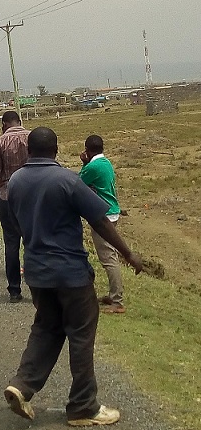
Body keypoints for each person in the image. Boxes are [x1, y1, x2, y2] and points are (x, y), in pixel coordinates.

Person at [4, 127, 142, 426]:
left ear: (29, 149)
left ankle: (22, 385)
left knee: (46, 328)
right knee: (81, 335)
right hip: (70, 274)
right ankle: (83, 406)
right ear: (56, 149)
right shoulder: (66, 179)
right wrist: (128, 254)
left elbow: (14, 220)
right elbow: (100, 220)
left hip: (37, 272)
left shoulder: (16, 181)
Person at [79, 134, 126, 314]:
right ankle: (114, 295)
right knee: (110, 256)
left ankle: (117, 301)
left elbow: (78, 182)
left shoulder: (93, 166)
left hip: (103, 215)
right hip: (112, 211)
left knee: (108, 259)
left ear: (88, 150)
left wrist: (84, 164)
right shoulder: (105, 163)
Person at [0, 110, 31, 302]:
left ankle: (14, 290)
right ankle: (38, 287)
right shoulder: (32, 137)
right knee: (33, 242)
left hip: (7, 197)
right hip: (31, 196)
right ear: (19, 121)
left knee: (11, 245)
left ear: (4, 124)